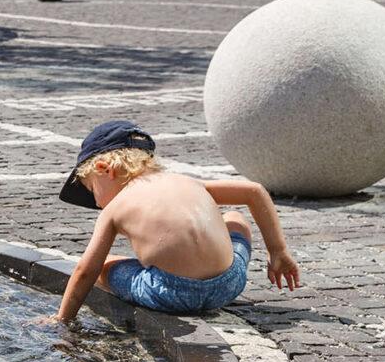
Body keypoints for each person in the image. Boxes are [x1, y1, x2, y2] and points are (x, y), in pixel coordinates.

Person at [51, 120, 301, 323]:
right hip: (229, 283)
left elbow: (86, 271)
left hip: (171, 293)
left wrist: (62, 319)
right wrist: (277, 251)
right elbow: (254, 191)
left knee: (105, 265)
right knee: (235, 219)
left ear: (106, 169)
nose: (96, 203)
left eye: (92, 189)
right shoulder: (187, 181)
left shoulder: (114, 208)